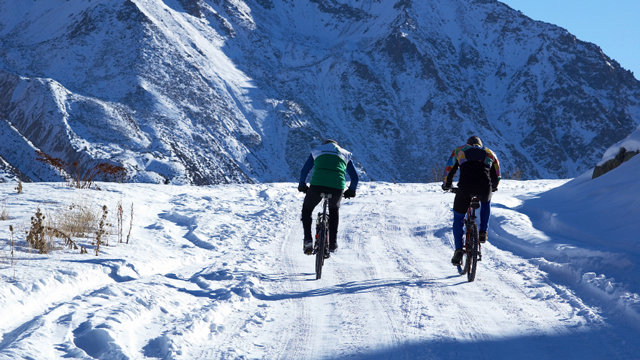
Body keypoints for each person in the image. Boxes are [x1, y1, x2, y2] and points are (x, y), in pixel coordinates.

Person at [442, 136, 501, 266]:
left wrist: (447, 184)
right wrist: (494, 187)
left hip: (465, 186)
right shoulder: (490, 153)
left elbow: (449, 169)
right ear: (480, 144)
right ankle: (483, 231)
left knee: (458, 217)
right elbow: (496, 173)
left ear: (468, 143)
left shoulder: (459, 150)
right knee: (486, 202)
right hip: (484, 186)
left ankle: (458, 249)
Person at [298, 139, 359, 255]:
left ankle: (308, 240)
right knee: (334, 209)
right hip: (337, 187)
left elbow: (304, 171)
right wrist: (351, 191)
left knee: (307, 210)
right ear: (338, 146)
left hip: (317, 185)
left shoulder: (317, 151)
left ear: (324, 145)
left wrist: (302, 185)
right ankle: (332, 243)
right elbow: (355, 177)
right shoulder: (345, 154)